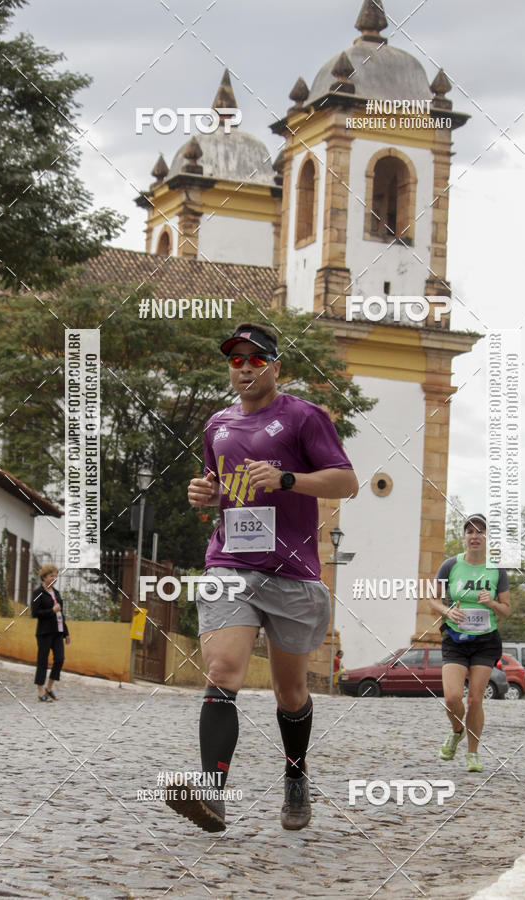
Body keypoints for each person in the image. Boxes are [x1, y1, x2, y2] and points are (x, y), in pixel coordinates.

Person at [166, 322, 358, 832]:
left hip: (291, 572)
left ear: (276, 366)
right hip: (230, 562)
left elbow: (347, 481)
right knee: (224, 669)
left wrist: (288, 479)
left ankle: (296, 776)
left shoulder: (304, 417)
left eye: (256, 359)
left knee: (289, 693)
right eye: (236, 360)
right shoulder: (216, 426)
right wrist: (203, 495)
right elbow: (216, 486)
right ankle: (211, 795)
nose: (246, 367)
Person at [429, 514, 510, 772]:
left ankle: (472, 754)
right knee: (452, 697)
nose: (475, 536)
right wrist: (447, 611)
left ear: (487, 537)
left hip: (486, 641)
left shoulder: (497, 569)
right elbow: (433, 600)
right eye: (470, 531)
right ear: (464, 537)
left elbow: (507, 610)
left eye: (481, 531)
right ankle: (456, 731)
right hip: (455, 637)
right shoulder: (450, 565)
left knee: (476, 699)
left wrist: (492, 603)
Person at [31, 564, 70, 701]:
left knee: (60, 659)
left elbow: (61, 615)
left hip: (58, 632)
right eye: (51, 575)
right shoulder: (38, 593)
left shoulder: (57, 593)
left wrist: (66, 633)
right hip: (44, 632)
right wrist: (51, 611)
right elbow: (35, 613)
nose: (54, 578)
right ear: (44, 577)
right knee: (43, 660)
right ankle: (40, 691)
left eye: (56, 576)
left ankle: (49, 687)